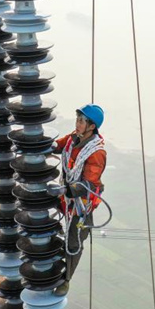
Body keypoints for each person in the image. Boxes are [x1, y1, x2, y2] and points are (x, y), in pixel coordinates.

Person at [54, 104, 107, 279]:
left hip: (81, 203)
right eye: (77, 119)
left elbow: (90, 184)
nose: (77, 123)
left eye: (82, 121)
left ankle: (66, 278)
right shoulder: (73, 139)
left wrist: (69, 189)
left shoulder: (96, 152)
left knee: (74, 240)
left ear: (92, 127)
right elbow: (58, 146)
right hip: (67, 195)